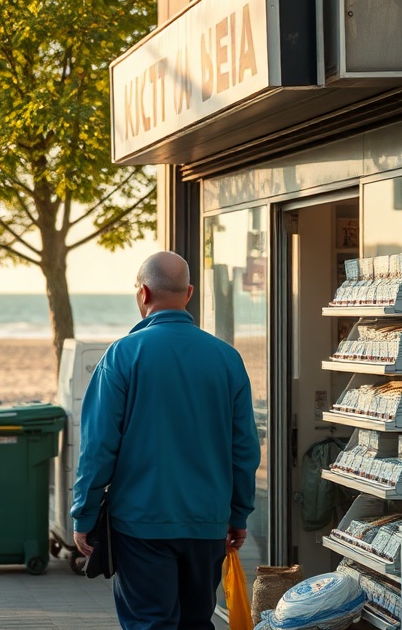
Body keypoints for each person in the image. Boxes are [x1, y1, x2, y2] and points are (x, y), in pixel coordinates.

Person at [71, 251, 260, 630]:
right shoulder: (227, 359)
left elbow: (97, 448)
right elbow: (245, 448)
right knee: (196, 621)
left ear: (143, 293)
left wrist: (84, 514)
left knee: (149, 623)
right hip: (207, 523)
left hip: (140, 524)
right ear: (188, 293)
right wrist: (237, 513)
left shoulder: (122, 356)